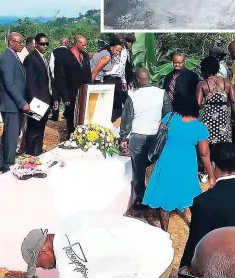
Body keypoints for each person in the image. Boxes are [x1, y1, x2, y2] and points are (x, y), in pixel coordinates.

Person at [21, 211, 174, 278]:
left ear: (43, 253)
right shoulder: (70, 220)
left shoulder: (69, 271)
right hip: (157, 240)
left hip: (152, 267)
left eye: (40, 265)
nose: (45, 269)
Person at [142, 94, 216, 232]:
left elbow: (160, 135)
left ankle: (165, 232)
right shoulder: (199, 127)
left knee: (164, 197)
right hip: (186, 164)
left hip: (166, 161)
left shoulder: (169, 118)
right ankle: (198, 227)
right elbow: (204, 154)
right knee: (192, 195)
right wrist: (211, 175)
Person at [119, 68, 172, 210]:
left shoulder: (132, 95)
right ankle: (159, 198)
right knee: (157, 168)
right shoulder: (162, 93)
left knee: (139, 170)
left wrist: (123, 137)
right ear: (149, 78)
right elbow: (168, 116)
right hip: (157, 136)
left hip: (137, 136)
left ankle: (141, 200)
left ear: (136, 80)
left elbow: (126, 119)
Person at [180, 142, 235, 268]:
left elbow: (197, 244)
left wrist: (184, 269)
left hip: (221, 268)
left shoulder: (204, 202)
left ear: (213, 165)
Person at [0, 32, 30, 173]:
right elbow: (10, 84)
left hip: (13, 104)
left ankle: (3, 163)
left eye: (22, 41)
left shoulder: (13, 56)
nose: (21, 44)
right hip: (11, 104)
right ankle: (8, 165)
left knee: (10, 134)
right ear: (11, 42)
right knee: (11, 135)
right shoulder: (7, 58)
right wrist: (22, 102)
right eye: (19, 41)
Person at [24, 33, 57, 156]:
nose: (45, 46)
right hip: (36, 102)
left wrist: (53, 98)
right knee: (33, 130)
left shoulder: (42, 57)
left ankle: (38, 152)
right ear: (36, 44)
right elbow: (30, 83)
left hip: (45, 100)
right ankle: (30, 154)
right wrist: (33, 103)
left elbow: (48, 80)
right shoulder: (31, 58)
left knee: (41, 129)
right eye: (42, 44)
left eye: (47, 44)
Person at [54, 35, 91, 136]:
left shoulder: (85, 56)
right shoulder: (65, 56)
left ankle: (81, 134)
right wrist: (64, 95)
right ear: (77, 43)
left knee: (82, 113)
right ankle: (71, 135)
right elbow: (61, 76)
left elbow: (88, 73)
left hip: (82, 91)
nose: (85, 47)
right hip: (70, 91)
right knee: (70, 114)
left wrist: (89, 88)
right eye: (83, 45)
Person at [197, 56, 235, 145]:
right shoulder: (227, 83)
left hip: (208, 119)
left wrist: (207, 107)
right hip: (224, 119)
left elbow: (198, 104)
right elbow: (233, 102)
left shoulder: (202, 84)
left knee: (208, 144)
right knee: (224, 145)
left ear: (205, 69)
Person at [89, 35, 124, 122]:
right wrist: (89, 86)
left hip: (98, 79)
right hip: (95, 80)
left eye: (120, 51)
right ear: (111, 48)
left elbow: (91, 55)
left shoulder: (105, 52)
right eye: (116, 50)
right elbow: (94, 71)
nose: (118, 53)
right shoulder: (107, 57)